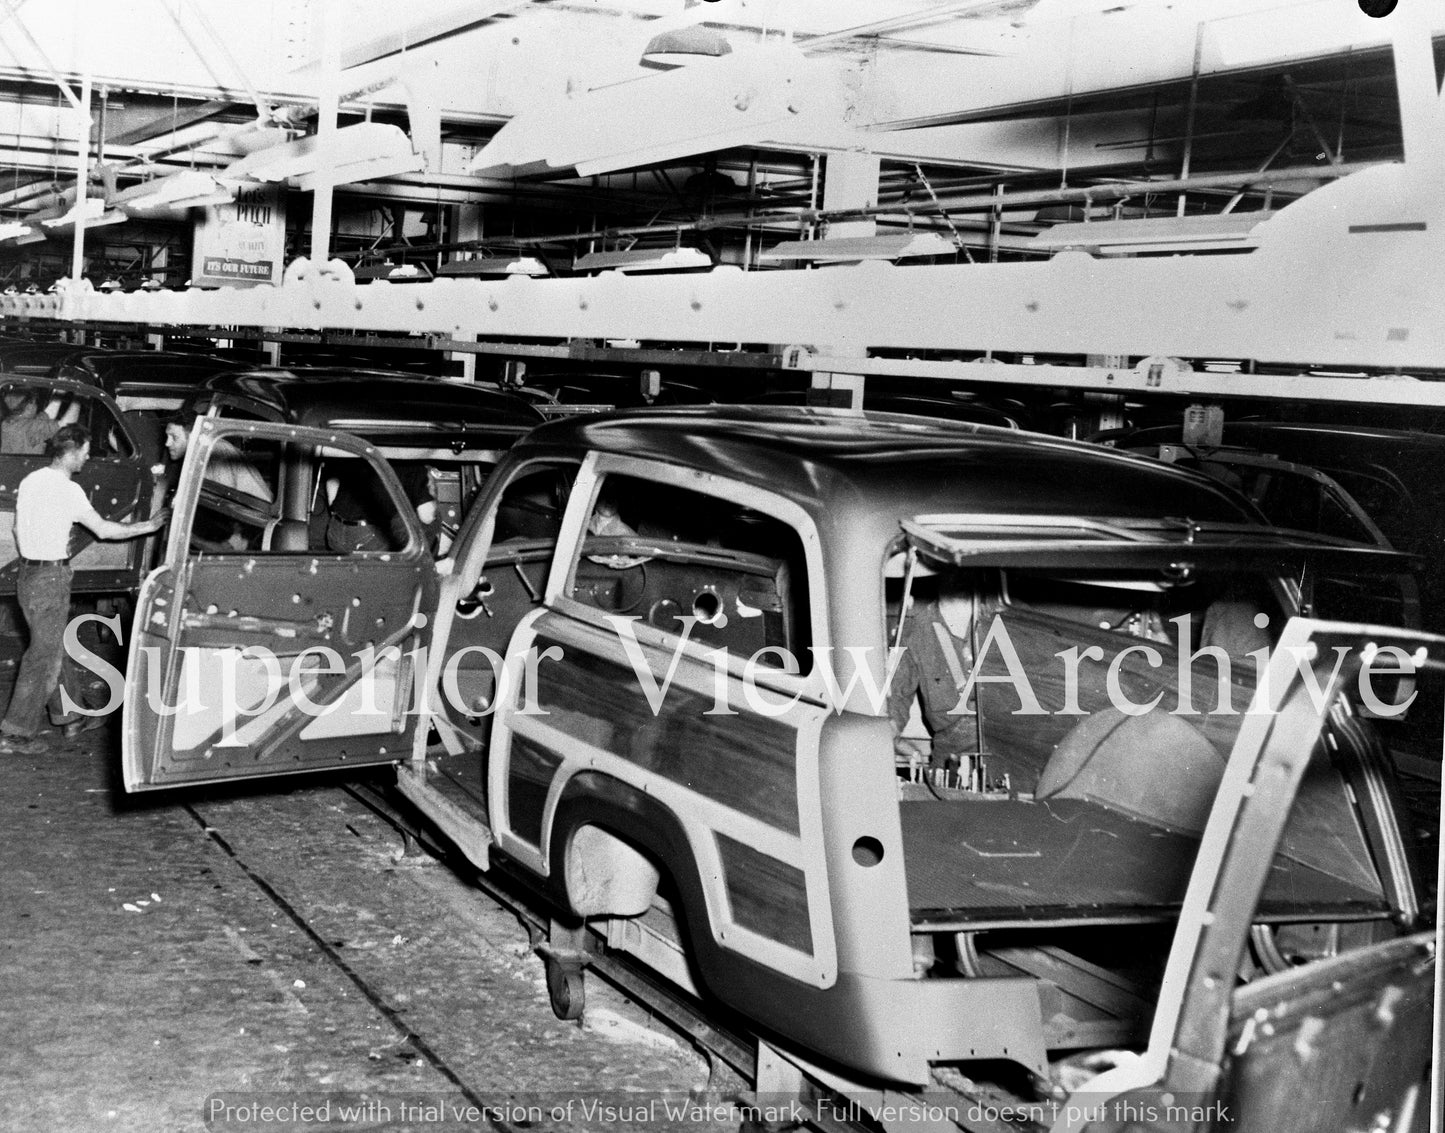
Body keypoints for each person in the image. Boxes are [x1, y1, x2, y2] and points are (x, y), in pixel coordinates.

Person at [0, 426, 169, 755]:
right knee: (42, 657)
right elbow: (104, 531)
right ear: (72, 450)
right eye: (86, 450)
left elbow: (19, 529)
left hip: (27, 576)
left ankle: (72, 717)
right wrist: (146, 526)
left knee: (50, 646)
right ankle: (16, 733)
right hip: (51, 578)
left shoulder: (31, 481)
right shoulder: (70, 490)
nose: (89, 456)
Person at [163, 416, 274, 503]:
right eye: (167, 436)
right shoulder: (202, 450)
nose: (167, 443)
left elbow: (224, 502)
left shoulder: (213, 452)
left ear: (192, 435)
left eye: (174, 437)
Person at [0, 388, 79, 455]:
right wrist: (80, 398)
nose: (36, 406)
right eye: (34, 403)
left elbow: (46, 416)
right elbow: (66, 424)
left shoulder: (8, 423)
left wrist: (59, 393)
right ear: (29, 407)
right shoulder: (29, 429)